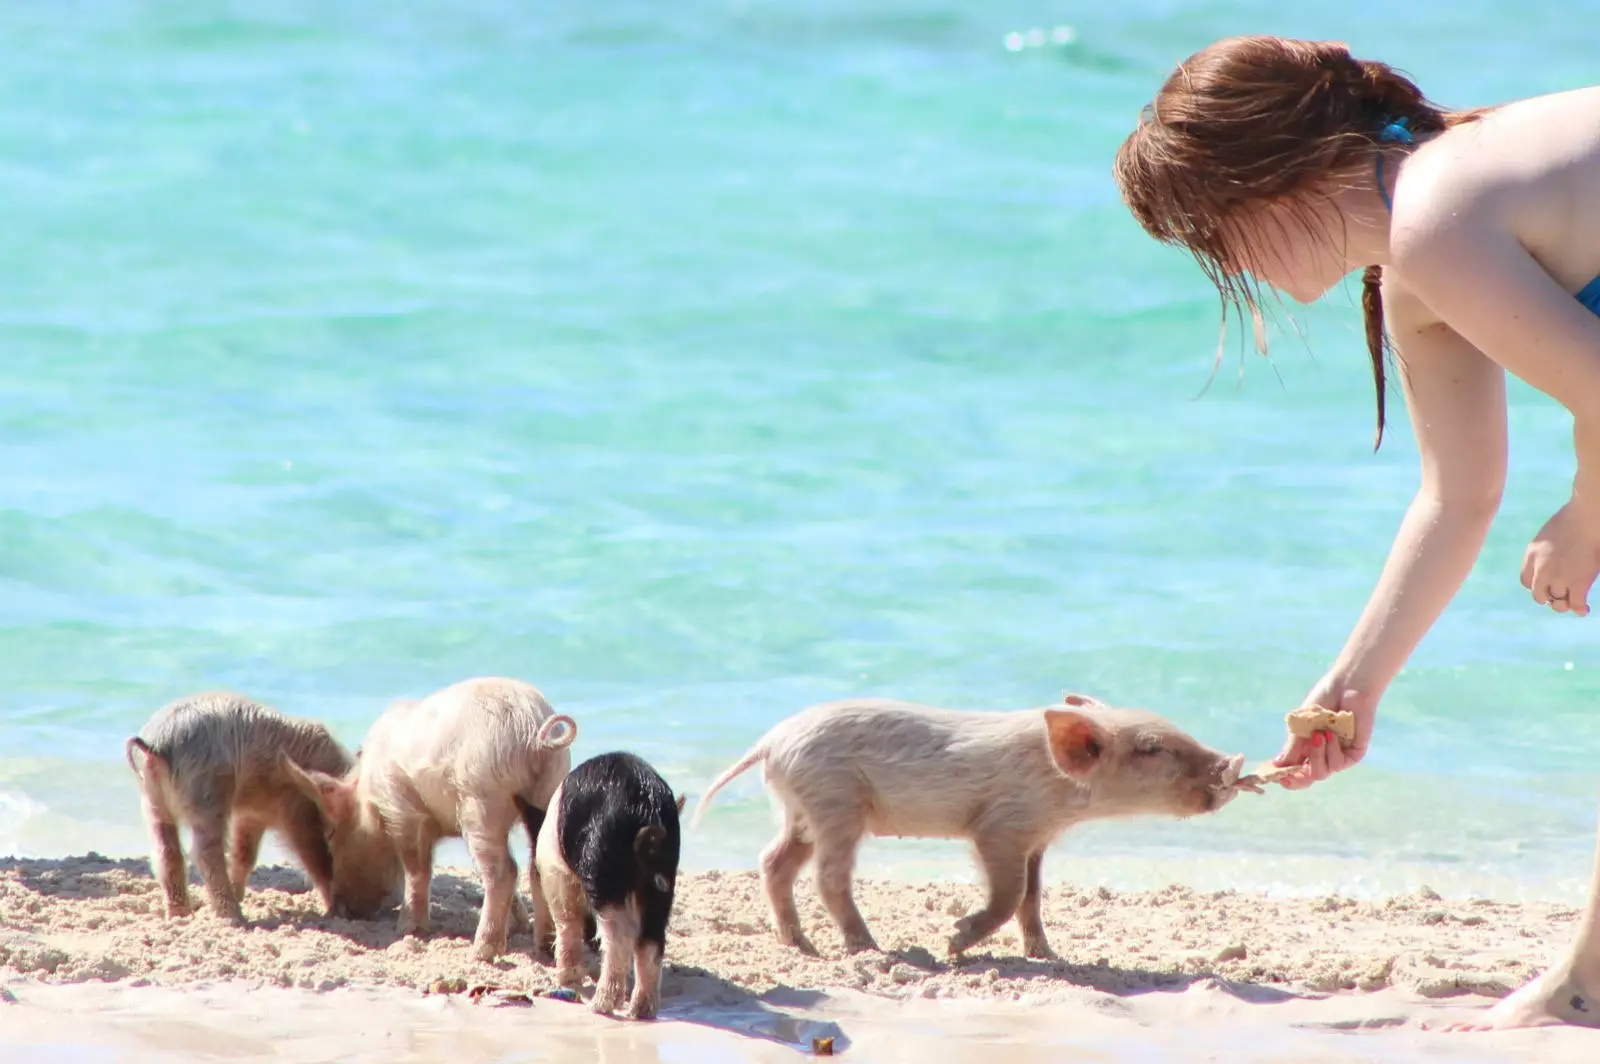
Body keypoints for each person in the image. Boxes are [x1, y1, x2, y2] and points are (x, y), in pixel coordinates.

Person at [1112, 35, 1600, 1031]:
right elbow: (1455, 495)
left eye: (1214, 231)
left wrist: (1585, 516)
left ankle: (1586, 987)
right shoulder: (1419, 251)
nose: (1226, 263)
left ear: (1274, 176)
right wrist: (1352, 682)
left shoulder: (1437, 213)